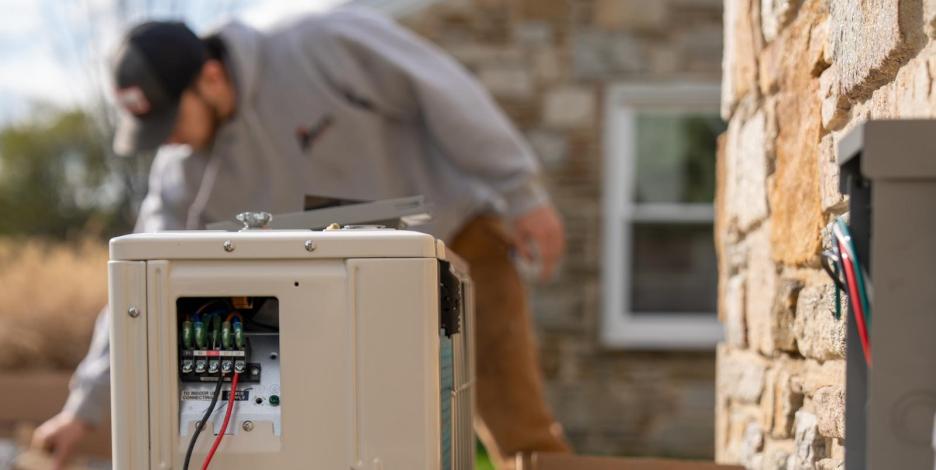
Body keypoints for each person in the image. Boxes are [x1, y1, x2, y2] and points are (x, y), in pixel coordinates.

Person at [32, 8, 571, 469]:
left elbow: (446, 92)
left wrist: (522, 194)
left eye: (172, 119)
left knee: (516, 424)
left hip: (456, 240)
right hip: (350, 291)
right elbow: (137, 290)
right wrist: (83, 408)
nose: (167, 140)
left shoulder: (321, 45)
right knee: (361, 441)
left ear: (211, 78)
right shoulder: (185, 175)